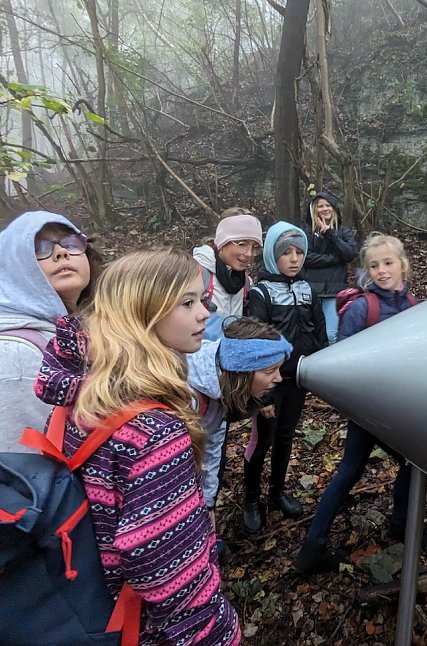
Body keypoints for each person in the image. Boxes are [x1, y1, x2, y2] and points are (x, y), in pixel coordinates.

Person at [33, 249, 239, 645]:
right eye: (188, 302)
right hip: (149, 628)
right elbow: (163, 569)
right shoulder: (155, 431)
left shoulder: (84, 396)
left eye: (203, 300)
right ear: (143, 314)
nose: (204, 314)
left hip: (91, 605)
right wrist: (217, 630)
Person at [294, 232, 427, 574]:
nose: (382, 271)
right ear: (367, 271)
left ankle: (397, 524)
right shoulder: (361, 308)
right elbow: (343, 360)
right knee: (353, 470)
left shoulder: (414, 304)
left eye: (388, 263)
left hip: (399, 408)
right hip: (367, 409)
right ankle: (314, 548)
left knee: (409, 464)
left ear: (403, 264)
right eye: (374, 266)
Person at [243, 222, 327, 532]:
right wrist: (261, 396)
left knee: (285, 436)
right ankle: (251, 499)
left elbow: (319, 333)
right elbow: (254, 344)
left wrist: (319, 370)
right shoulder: (261, 293)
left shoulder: (308, 290)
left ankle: (277, 491)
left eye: (300, 252)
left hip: (297, 380)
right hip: (270, 384)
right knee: (262, 439)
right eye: (286, 253)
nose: (294, 259)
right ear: (271, 255)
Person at [0, 210, 100, 453]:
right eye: (40, 248)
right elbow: (21, 472)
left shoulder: (75, 331)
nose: (61, 252)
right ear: (11, 266)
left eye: (71, 243)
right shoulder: (15, 354)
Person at [188, 317, 292, 540]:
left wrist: (207, 506)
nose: (279, 378)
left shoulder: (217, 392)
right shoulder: (187, 398)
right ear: (242, 371)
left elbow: (212, 449)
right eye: (269, 371)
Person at [192, 209, 262, 339]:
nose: (249, 254)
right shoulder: (196, 274)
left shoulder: (246, 283)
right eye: (242, 244)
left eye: (255, 247)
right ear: (223, 241)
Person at [303, 191, 358, 344]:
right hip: (311, 292)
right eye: (320, 206)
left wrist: (330, 235)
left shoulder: (343, 231)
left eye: (328, 205)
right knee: (310, 334)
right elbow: (306, 258)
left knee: (331, 335)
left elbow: (350, 254)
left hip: (334, 292)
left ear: (334, 208)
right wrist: (335, 259)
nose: (324, 209)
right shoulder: (307, 232)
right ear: (314, 209)